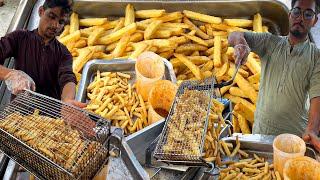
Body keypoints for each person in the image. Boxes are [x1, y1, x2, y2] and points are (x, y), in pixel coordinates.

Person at [228, 0, 320, 151]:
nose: (300, 18)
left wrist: (312, 130)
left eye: (308, 14)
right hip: (261, 137)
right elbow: (234, 35)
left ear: (315, 20)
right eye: (297, 11)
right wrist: (239, 43)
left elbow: (317, 98)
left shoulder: (316, 57)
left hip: (293, 141)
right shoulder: (270, 42)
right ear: (290, 15)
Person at [0, 0, 85, 108]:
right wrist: (9, 74)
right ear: (41, 11)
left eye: (61, 22)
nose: (55, 25)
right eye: (52, 16)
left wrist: (68, 100)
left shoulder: (64, 53)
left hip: (49, 118)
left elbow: (67, 78)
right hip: (19, 113)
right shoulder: (19, 38)